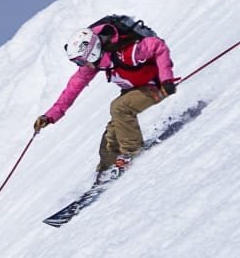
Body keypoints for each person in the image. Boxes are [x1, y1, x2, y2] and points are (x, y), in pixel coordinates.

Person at [33, 15, 178, 183]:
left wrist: (167, 80)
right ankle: (105, 170)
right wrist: (50, 115)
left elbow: (158, 46)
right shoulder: (97, 61)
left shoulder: (126, 52)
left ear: (91, 52)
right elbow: (73, 87)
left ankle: (131, 153)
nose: (81, 65)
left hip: (156, 86)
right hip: (134, 89)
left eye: (80, 61)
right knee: (112, 134)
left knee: (119, 108)